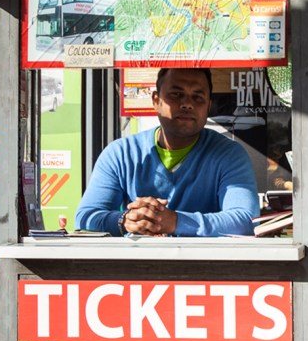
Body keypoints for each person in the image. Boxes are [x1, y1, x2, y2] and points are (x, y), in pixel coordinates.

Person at [75, 68, 258, 237]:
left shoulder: (229, 155)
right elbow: (86, 218)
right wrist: (125, 220)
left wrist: (176, 222)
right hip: (135, 268)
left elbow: (246, 221)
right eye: (176, 95)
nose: (187, 104)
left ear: (208, 106)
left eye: (197, 97)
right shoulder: (121, 154)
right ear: (156, 100)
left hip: (206, 268)